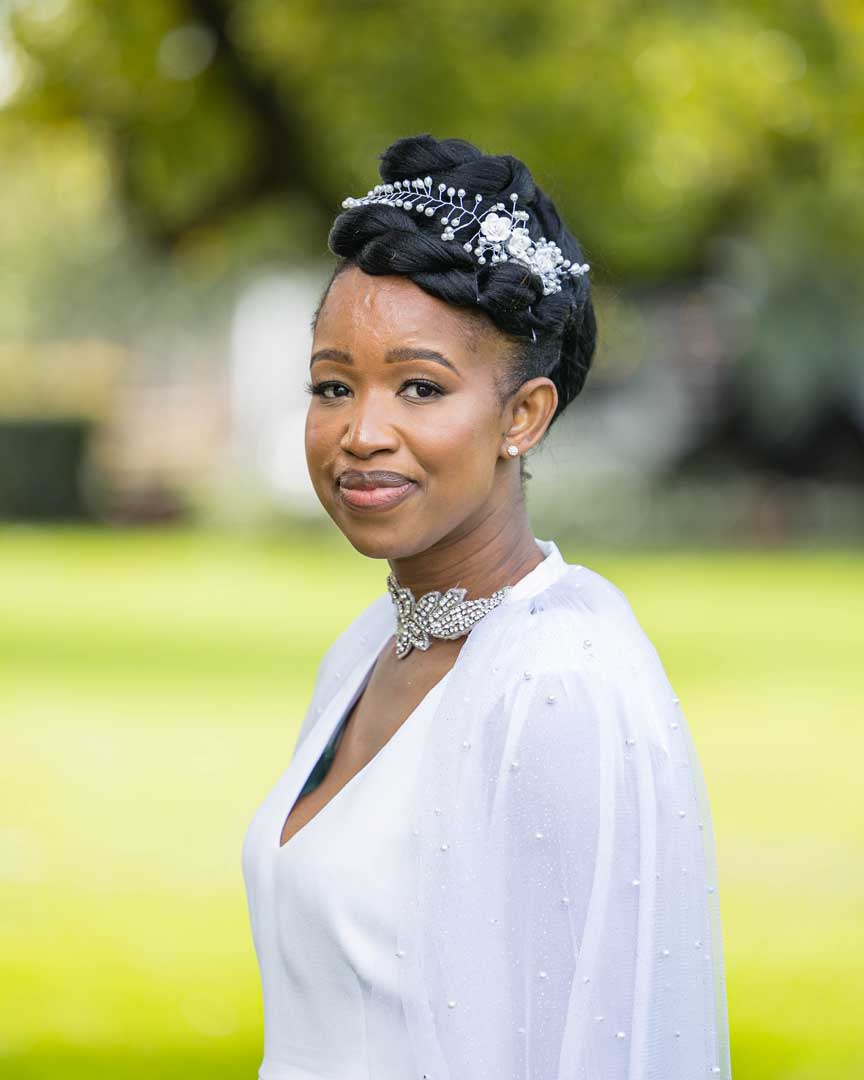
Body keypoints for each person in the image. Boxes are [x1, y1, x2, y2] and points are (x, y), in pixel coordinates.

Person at [242, 133, 732, 1080]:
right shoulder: (366, 650)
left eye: (420, 387)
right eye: (333, 385)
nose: (362, 431)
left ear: (523, 415)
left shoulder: (556, 685)